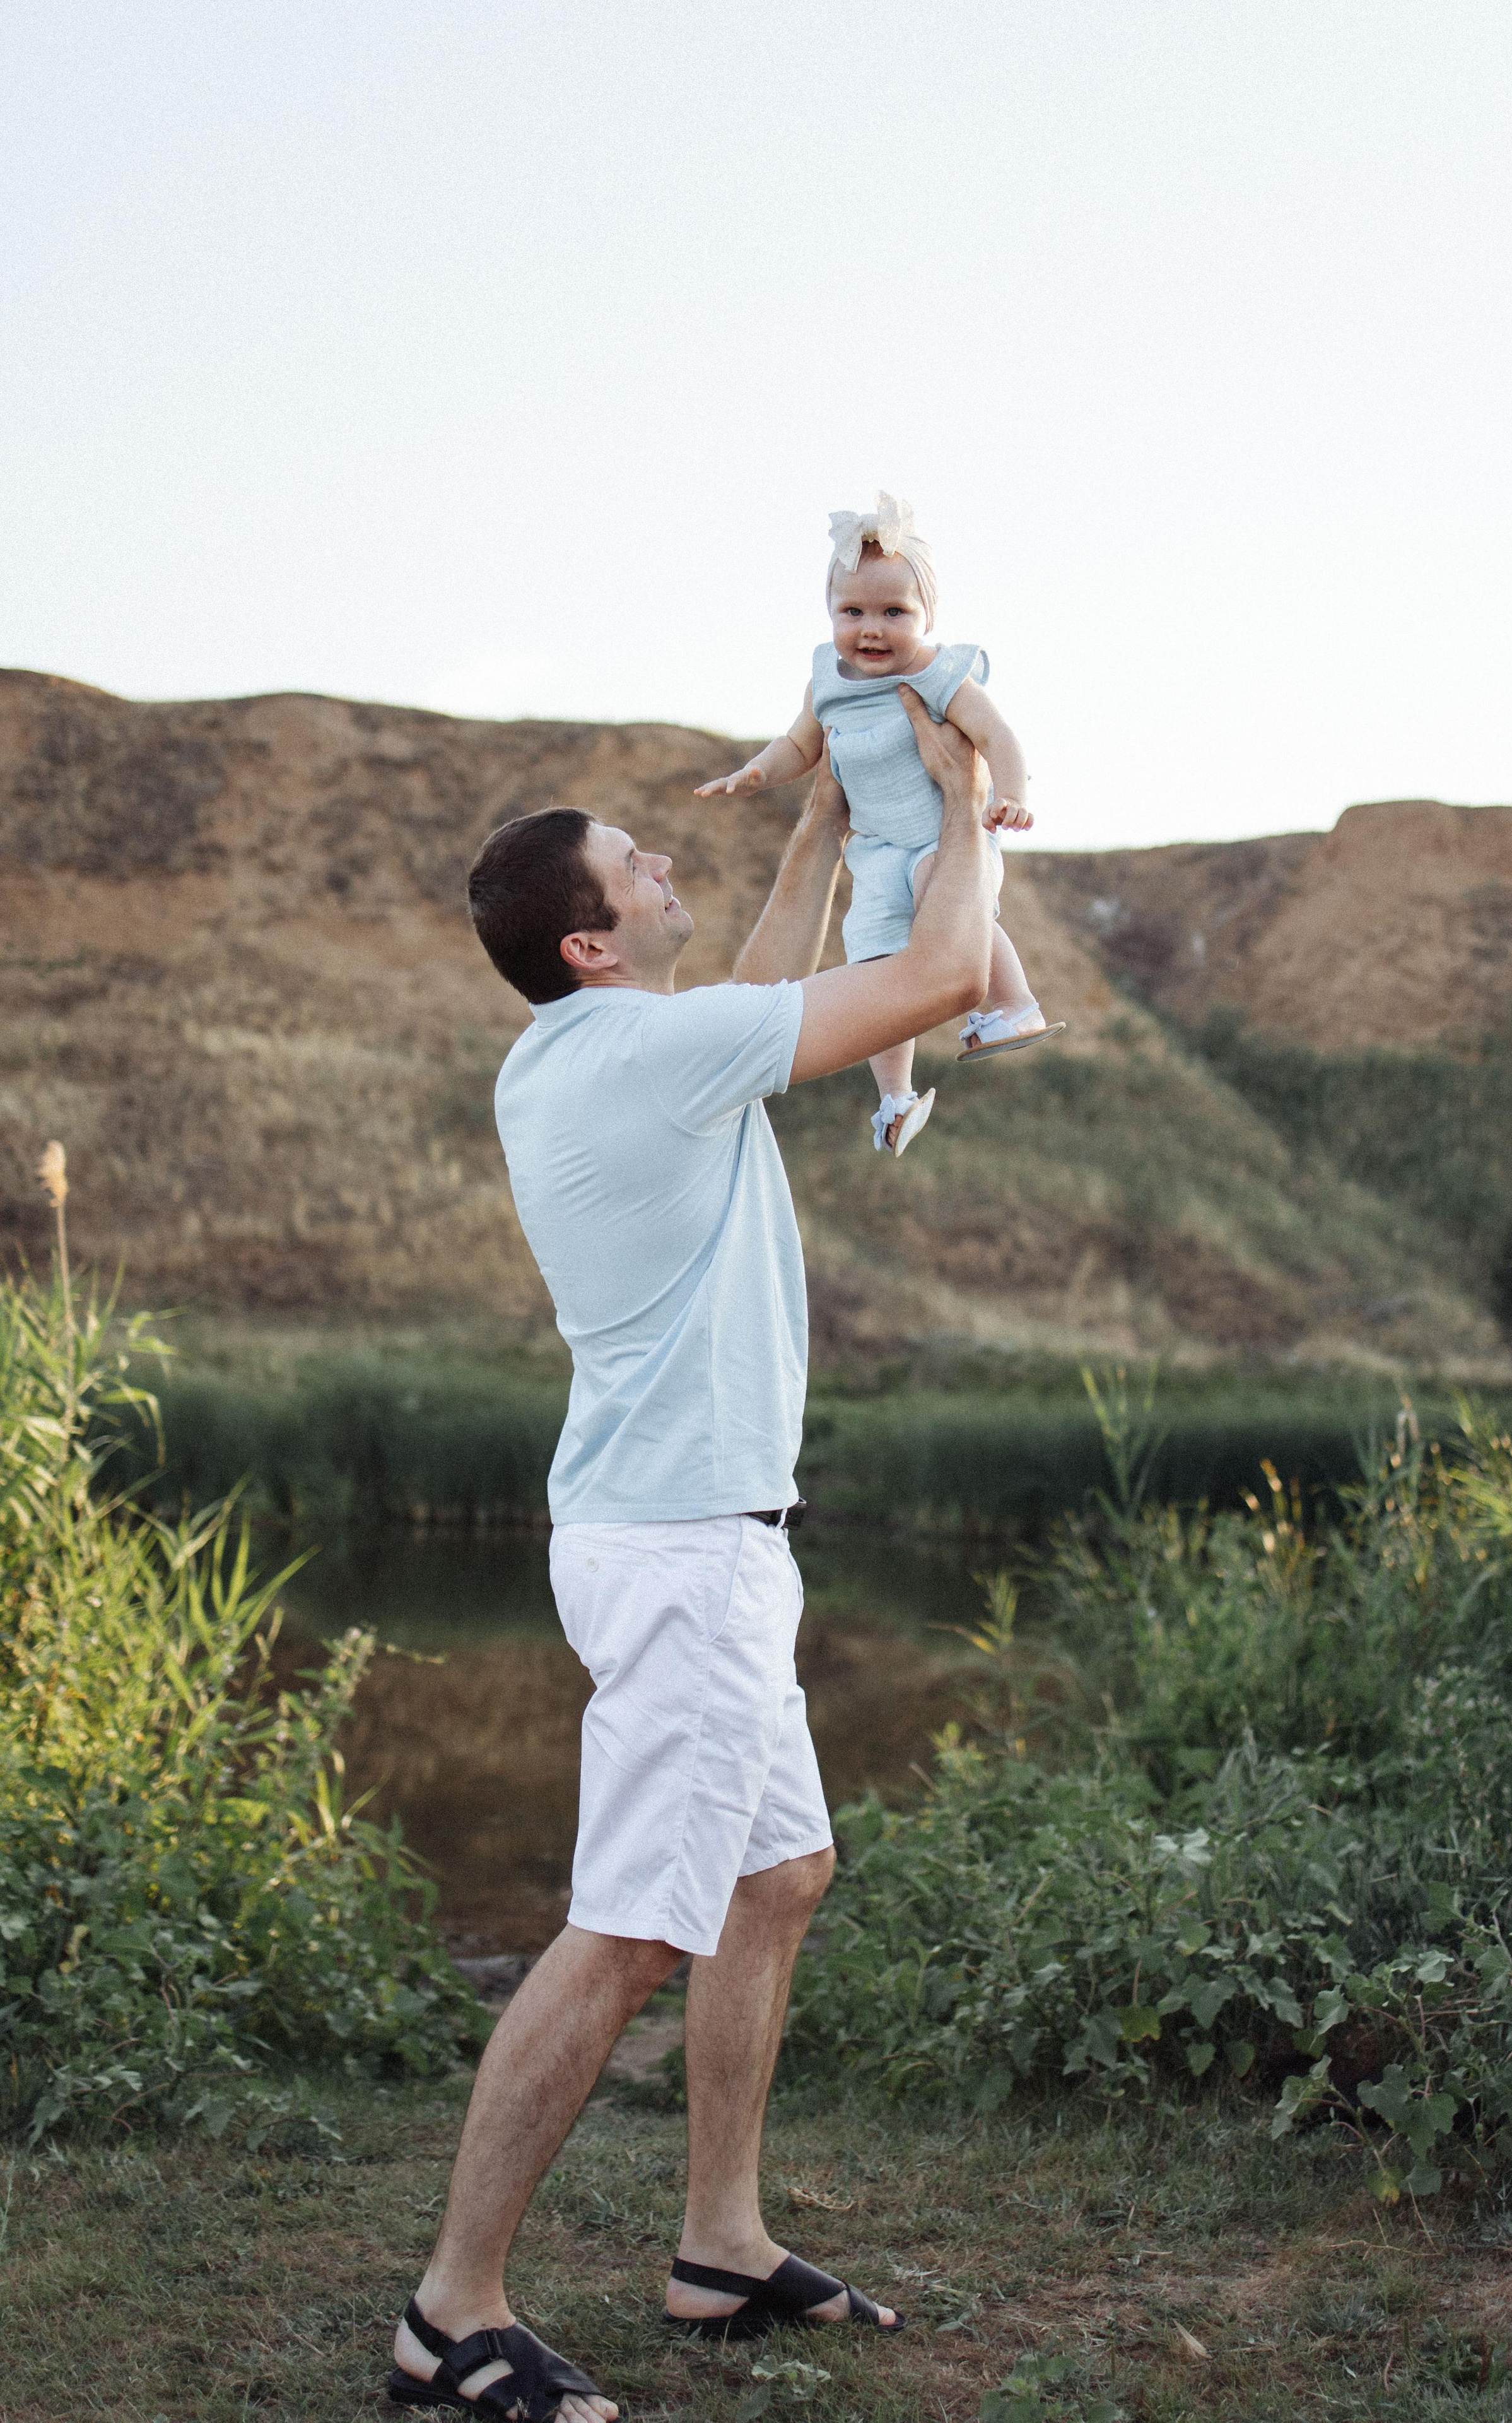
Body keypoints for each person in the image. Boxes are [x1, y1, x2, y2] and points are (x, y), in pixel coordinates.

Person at [386, 690, 997, 2422]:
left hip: (691, 1533)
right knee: (627, 1931)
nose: (664, 857)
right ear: (592, 939)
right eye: (634, 863)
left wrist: (809, 828)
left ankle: (716, 2243)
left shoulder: (583, 1050)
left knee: (773, 1879)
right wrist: (956, 797)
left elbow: (737, 1002)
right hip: (683, 1559)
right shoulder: (646, 1053)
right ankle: (451, 2313)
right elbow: (945, 980)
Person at [695, 492, 1064, 1157]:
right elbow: (799, 746)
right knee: (877, 964)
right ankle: (894, 1097)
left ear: (927, 617)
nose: (872, 628)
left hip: (942, 840)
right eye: (853, 611)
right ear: (830, 613)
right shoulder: (826, 681)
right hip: (874, 853)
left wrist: (1009, 795)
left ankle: (1014, 1004)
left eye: (895, 612)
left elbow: (999, 736)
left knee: (943, 906)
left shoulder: (939, 673)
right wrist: (754, 772)